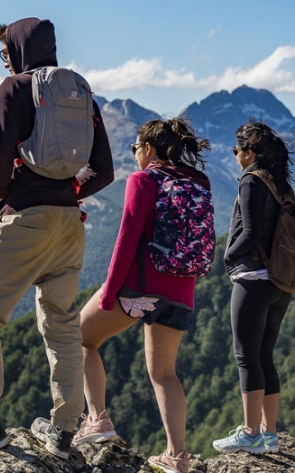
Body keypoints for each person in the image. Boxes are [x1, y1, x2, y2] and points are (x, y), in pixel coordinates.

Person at [0, 18, 114, 460]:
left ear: (18, 49)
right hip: (69, 224)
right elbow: (105, 169)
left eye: (6, 53)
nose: (6, 62)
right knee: (61, 325)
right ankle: (62, 430)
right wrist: (68, 192)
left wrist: (7, 196)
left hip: (25, 221)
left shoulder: (15, 89)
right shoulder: (80, 91)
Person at [72, 118, 211, 473]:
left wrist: (109, 294)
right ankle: (177, 457)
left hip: (140, 286)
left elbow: (127, 238)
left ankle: (97, 420)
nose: (134, 155)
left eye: (135, 148)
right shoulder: (198, 181)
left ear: (148, 149)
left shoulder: (143, 179)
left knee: (80, 339)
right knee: (165, 373)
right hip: (182, 289)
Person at [212, 122, 295, 454]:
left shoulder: (251, 180)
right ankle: (270, 436)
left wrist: (227, 255)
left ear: (248, 152)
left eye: (236, 151)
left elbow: (248, 232)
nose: (235, 157)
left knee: (246, 356)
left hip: (253, 278)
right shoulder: (281, 184)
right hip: (279, 281)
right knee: (265, 355)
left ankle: (249, 434)